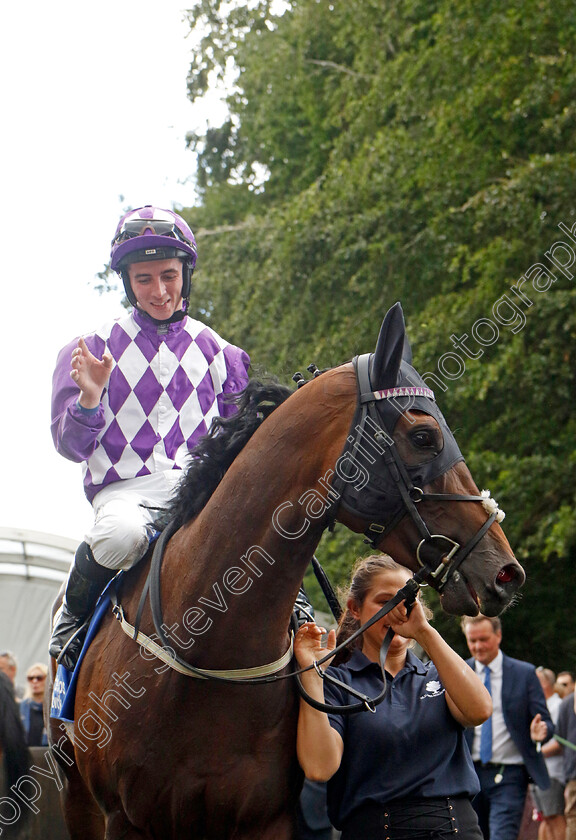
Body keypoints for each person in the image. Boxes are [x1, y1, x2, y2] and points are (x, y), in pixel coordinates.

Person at [49, 206, 251, 669]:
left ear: (186, 273)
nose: (159, 291)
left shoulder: (224, 354)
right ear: (127, 282)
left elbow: (240, 447)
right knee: (120, 537)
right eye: (144, 279)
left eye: (168, 275)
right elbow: (70, 447)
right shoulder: (89, 349)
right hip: (125, 495)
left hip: (198, 494)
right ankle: (73, 614)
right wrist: (89, 400)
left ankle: (297, 612)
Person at [294, 553, 492, 840]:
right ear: (355, 608)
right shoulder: (338, 681)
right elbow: (318, 768)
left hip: (455, 828)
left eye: (406, 601)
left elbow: (479, 711)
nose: (397, 611)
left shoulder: (438, 674)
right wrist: (311, 673)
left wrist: (424, 632)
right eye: (385, 601)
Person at [461, 615, 554, 840]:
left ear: (498, 635)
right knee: (473, 835)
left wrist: (541, 732)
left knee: (503, 834)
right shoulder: (460, 672)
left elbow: (547, 723)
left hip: (509, 774)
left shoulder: (524, 673)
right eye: (472, 641)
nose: (477, 647)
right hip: (468, 773)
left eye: (483, 639)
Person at [531, 667, 566, 840]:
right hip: (538, 771)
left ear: (544, 683)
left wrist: (534, 754)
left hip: (553, 773)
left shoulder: (558, 705)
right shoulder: (541, 707)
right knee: (544, 818)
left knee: (555, 817)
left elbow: (560, 743)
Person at [551, 688, 576, 840]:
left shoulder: (566, 702)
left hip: (573, 771)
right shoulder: (567, 703)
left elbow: (560, 740)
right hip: (573, 771)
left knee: (573, 817)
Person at [19, 663, 48, 747]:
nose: (34, 681)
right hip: (26, 756)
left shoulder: (54, 708)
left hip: (48, 755)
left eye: (39, 678)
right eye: (30, 678)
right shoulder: (21, 708)